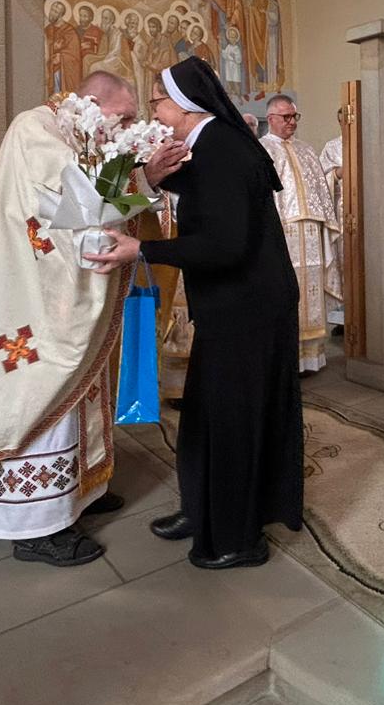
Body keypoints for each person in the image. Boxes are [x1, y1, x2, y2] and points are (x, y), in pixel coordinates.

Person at [0, 71, 188, 566]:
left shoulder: (71, 132)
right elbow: (73, 205)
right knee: (39, 385)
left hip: (63, 292)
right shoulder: (36, 129)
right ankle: (35, 525)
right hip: (33, 301)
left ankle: (76, 492)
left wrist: (143, 180)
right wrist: (143, 179)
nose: (127, 128)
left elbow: (95, 197)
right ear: (92, 102)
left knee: (78, 386)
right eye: (124, 118)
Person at [86, 57, 303, 570]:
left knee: (234, 423)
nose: (154, 113)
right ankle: (202, 508)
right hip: (230, 305)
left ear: (185, 105)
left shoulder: (223, 148)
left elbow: (225, 244)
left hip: (249, 309)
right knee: (205, 417)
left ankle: (237, 538)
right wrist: (149, 176)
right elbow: (190, 192)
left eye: (157, 103)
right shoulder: (205, 145)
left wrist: (141, 251)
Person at [260, 94, 342, 372]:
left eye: (294, 116)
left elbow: (322, 188)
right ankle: (287, 360)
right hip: (283, 231)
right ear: (271, 118)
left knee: (311, 293)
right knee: (286, 291)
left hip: (312, 232)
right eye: (286, 117)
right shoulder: (262, 150)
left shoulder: (306, 150)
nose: (292, 122)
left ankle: (311, 359)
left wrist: (326, 224)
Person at [320, 120, 345, 329]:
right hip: (342, 213)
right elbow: (321, 180)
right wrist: (336, 174)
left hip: (369, 209)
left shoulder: (369, 143)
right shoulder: (332, 146)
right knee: (342, 262)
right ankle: (342, 319)